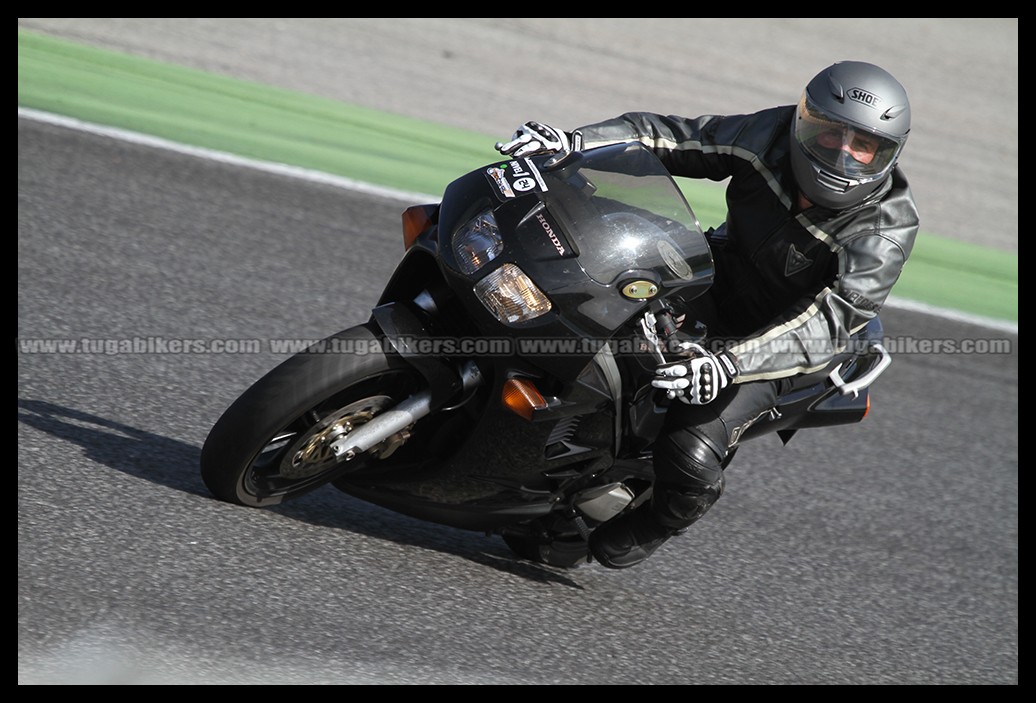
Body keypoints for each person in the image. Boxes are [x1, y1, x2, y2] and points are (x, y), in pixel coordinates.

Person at [495, 60, 919, 569]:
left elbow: (829, 323)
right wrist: (575, 143)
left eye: (863, 145)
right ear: (806, 124)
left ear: (886, 155)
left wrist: (727, 365)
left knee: (691, 449)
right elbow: (672, 137)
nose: (843, 153)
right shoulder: (769, 136)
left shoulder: (885, 230)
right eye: (831, 135)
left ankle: (658, 520)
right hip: (722, 276)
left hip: (785, 349)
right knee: (592, 285)